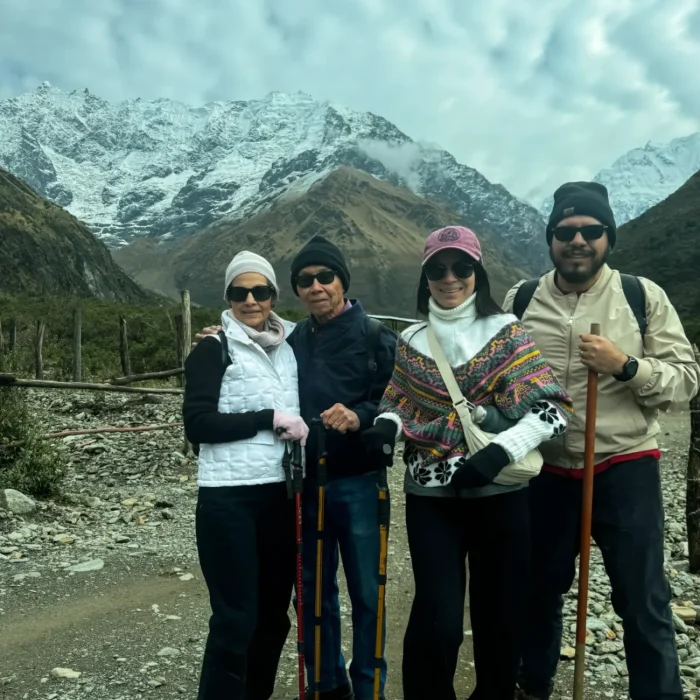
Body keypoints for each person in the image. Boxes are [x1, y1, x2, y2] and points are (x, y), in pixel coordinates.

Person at [501, 182, 700, 700]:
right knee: (538, 593)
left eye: (591, 230)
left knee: (642, 598)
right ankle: (534, 688)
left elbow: (686, 378)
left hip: (623, 464)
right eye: (566, 232)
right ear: (550, 239)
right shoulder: (521, 300)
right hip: (545, 468)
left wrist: (625, 366)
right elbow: (497, 378)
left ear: (608, 237)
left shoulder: (642, 296)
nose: (578, 240)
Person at [361, 226, 574, 700]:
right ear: (425, 276)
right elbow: (401, 401)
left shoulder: (508, 334)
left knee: (499, 618)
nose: (449, 277)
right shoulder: (413, 340)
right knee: (437, 618)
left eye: (461, 267)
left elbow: (553, 408)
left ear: (477, 272)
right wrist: (387, 427)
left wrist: (501, 451)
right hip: (431, 497)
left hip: (500, 495)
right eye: (437, 268)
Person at [196, 235, 397, 700]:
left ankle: (369, 689)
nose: (316, 286)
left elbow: (396, 400)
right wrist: (214, 339)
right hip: (305, 484)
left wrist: (362, 416)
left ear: (342, 280)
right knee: (311, 595)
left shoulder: (376, 335)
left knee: (368, 592)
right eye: (305, 280)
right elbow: (243, 344)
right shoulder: (292, 338)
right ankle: (329, 686)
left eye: (325, 276)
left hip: (360, 481)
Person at [182, 250, 309, 700]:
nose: (250, 300)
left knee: (274, 616)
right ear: (228, 297)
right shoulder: (211, 348)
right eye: (240, 292)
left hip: (280, 496)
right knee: (236, 617)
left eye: (260, 291)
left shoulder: (294, 343)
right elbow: (197, 425)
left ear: (274, 295)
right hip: (227, 499)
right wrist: (267, 417)